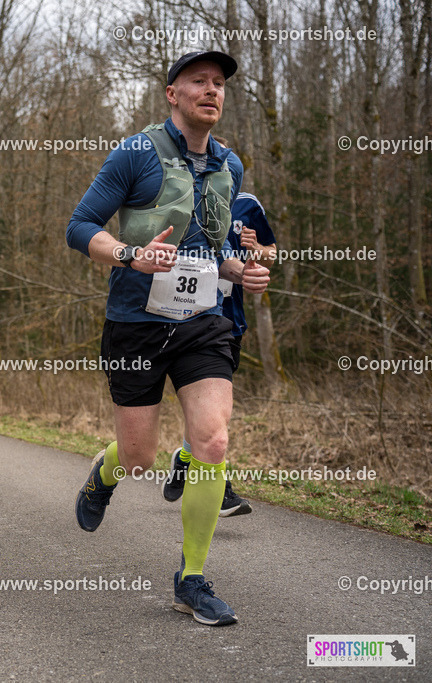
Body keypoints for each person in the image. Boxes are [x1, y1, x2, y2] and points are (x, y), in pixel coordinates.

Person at [65, 51, 271, 626]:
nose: (211, 90)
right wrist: (130, 254)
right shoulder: (136, 153)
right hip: (136, 324)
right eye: (198, 81)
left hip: (203, 322)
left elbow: (214, 249)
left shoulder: (229, 164)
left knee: (212, 441)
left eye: (219, 83)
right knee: (138, 458)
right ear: (172, 94)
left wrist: (240, 271)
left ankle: (192, 580)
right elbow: (79, 227)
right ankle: (105, 473)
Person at [164, 151, 278, 516]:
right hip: (186, 316)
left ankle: (186, 458)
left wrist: (257, 250)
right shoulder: (181, 197)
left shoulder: (247, 204)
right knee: (208, 410)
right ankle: (219, 488)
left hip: (230, 317)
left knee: (213, 411)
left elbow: (271, 253)